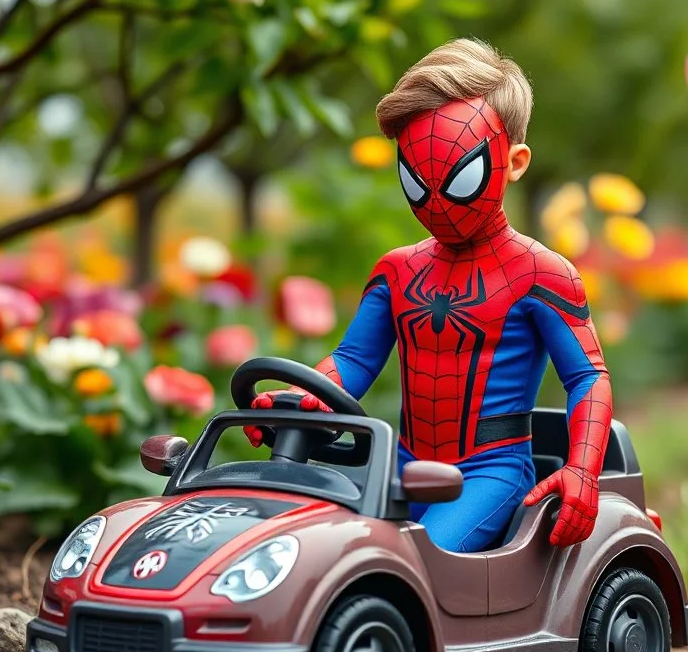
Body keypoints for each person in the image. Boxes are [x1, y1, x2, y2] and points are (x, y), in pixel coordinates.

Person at [247, 38, 613, 553]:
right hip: (398, 462)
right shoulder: (398, 272)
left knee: (414, 562)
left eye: (459, 179)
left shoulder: (541, 274)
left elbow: (587, 377)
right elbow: (352, 360)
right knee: (315, 548)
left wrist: (583, 471)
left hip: (490, 473)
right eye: (417, 181)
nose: (436, 201)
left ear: (515, 161)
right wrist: (303, 399)